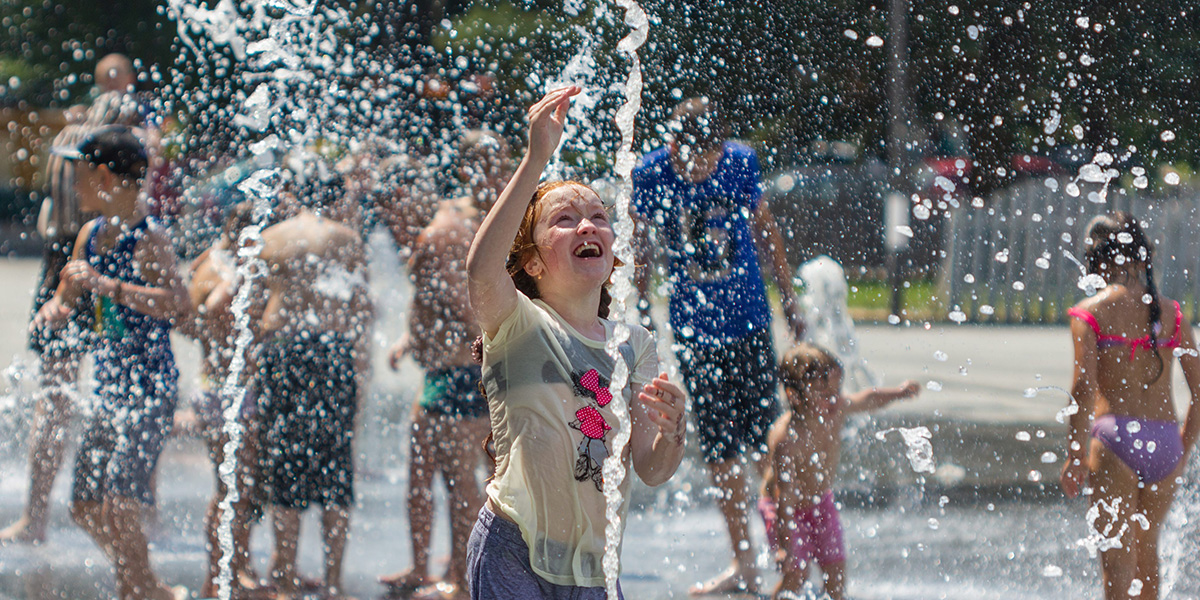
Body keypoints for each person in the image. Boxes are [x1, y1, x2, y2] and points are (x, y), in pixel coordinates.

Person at [464, 86, 687, 598]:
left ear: (611, 252)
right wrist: (535, 158)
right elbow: (481, 269)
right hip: (512, 548)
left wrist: (673, 433)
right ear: (534, 263)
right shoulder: (518, 324)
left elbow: (651, 469)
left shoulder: (634, 344)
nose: (587, 224)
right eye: (564, 220)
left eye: (599, 217)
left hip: (594, 567)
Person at [631, 96, 806, 595]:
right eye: (690, 161)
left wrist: (788, 297)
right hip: (694, 332)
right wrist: (641, 306)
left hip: (749, 322)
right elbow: (641, 245)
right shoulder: (651, 173)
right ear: (672, 146)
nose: (698, 170)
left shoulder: (740, 161)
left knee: (765, 444)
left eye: (707, 160)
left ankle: (786, 556)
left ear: (719, 149)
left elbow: (765, 228)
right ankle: (744, 566)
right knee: (719, 450)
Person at [36, 124, 190, 600]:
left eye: (78, 173)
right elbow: (67, 291)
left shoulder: (150, 239)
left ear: (104, 176)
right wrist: (56, 307)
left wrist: (108, 288)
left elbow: (178, 304)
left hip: (150, 390)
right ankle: (142, 582)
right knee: (85, 506)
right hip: (110, 391)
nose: (72, 183)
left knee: (120, 504)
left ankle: (143, 587)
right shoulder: (91, 233)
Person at [1, 53, 145, 546]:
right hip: (95, 258)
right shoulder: (114, 148)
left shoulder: (67, 138)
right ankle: (144, 515)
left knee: (56, 395)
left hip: (61, 262)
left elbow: (49, 211)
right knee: (130, 386)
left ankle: (35, 518)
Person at [378, 130, 510, 600]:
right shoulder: (462, 221)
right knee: (425, 473)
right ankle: (424, 568)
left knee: (460, 480)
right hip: (444, 372)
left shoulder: (449, 229)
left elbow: (463, 303)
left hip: (462, 373)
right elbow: (437, 302)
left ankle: (460, 575)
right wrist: (411, 337)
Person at [1060, 212, 1200, 600]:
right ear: (1143, 258)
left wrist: (1074, 455)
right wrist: (1182, 450)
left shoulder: (1090, 313)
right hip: (1165, 443)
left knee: (1117, 566)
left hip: (1115, 440)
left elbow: (1084, 387)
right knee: (1146, 557)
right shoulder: (1172, 314)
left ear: (1099, 261)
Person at [253, 172, 373, 600]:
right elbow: (362, 309)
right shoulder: (346, 238)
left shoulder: (271, 237)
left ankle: (284, 575)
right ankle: (334, 582)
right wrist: (362, 370)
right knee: (335, 469)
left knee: (284, 465)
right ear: (337, 200)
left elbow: (252, 306)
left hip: (282, 351)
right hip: (330, 352)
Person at [761, 343, 919, 600]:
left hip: (820, 503)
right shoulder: (787, 439)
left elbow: (867, 398)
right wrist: (785, 547)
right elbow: (785, 494)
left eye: (837, 390)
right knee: (796, 576)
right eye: (824, 393)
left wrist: (898, 393)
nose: (834, 399)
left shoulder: (835, 410)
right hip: (783, 510)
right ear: (794, 396)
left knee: (835, 574)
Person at [185, 202, 266, 599]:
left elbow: (190, 316)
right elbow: (217, 305)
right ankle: (221, 581)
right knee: (235, 489)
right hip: (230, 394)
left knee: (231, 485)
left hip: (211, 387)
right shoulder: (232, 270)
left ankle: (231, 572)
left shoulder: (207, 259)